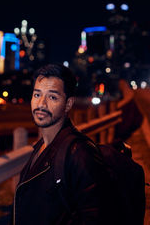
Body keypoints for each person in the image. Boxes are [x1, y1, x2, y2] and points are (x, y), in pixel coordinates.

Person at [13, 64, 109, 225]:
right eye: (37, 95)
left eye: (52, 97)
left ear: (68, 104)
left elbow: (95, 217)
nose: (41, 104)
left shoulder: (79, 153)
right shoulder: (40, 147)